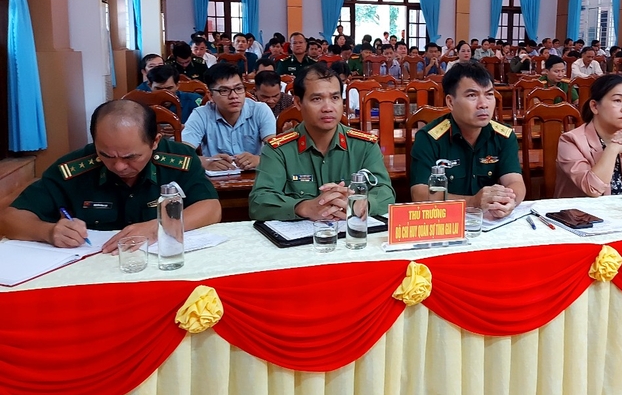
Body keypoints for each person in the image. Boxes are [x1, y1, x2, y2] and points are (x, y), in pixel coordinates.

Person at [0, 100, 221, 252]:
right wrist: (48, 231)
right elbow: (9, 219)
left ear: (155, 141)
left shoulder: (178, 160)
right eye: (106, 155)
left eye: (131, 157)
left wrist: (159, 226)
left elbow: (211, 208)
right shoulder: (74, 169)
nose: (119, 166)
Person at [249, 63, 396, 221]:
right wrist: (303, 207)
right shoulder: (279, 150)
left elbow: (385, 193)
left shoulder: (364, 145)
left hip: (351, 236)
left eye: (335, 98)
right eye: (317, 99)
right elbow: (259, 202)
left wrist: (363, 204)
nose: (328, 108)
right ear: (298, 103)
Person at [410, 62, 526, 219]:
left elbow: (515, 182)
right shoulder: (429, 137)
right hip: (444, 220)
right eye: (472, 95)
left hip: (490, 222)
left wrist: (509, 201)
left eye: (489, 94)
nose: (483, 104)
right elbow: (419, 194)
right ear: (450, 102)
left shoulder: (503, 136)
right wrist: (472, 202)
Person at [555, 74, 622, 198]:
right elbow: (592, 189)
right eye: (617, 100)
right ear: (595, 106)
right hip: (582, 215)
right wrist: (612, 149)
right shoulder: (571, 140)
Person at [182, 62, 276, 171]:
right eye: (224, 91)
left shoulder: (260, 110)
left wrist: (259, 159)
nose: (234, 96)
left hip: (255, 179)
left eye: (239, 88)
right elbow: (182, 153)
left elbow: (277, 150)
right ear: (210, 96)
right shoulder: (201, 114)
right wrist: (205, 162)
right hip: (216, 181)